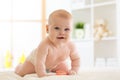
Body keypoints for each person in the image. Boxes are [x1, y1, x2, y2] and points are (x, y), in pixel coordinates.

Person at [15, 9, 80, 77]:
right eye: (57, 28)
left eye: (67, 29)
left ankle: (49, 69)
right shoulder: (45, 45)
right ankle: (19, 66)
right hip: (35, 62)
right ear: (47, 29)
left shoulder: (71, 46)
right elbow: (39, 62)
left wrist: (74, 70)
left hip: (55, 63)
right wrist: (43, 75)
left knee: (66, 69)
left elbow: (76, 59)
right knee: (22, 72)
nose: (62, 33)